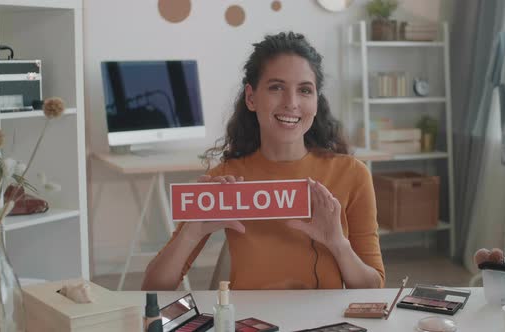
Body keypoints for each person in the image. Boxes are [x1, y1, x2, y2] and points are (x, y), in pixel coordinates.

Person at [142, 32, 385, 290]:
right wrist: (190, 235)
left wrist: (338, 244)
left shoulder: (352, 174)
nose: (291, 103)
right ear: (251, 98)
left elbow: (375, 287)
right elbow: (153, 288)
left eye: (304, 90)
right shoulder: (223, 181)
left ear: (316, 100)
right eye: (276, 87)